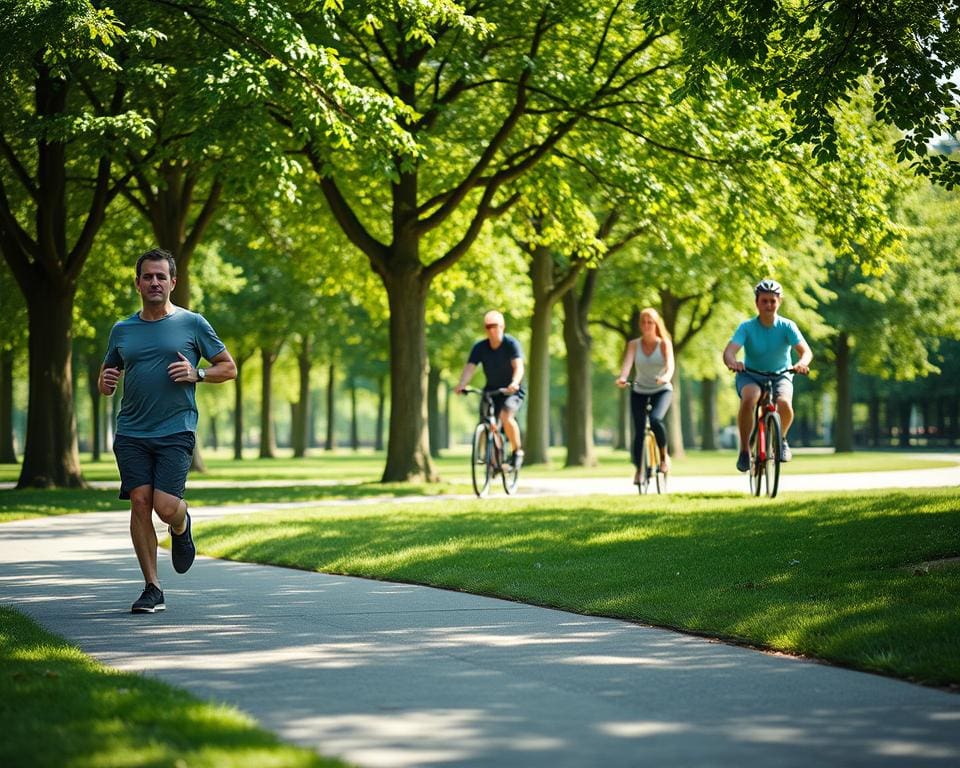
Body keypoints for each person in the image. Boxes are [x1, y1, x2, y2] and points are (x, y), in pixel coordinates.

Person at [99, 248, 237, 614]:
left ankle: (181, 523)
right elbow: (107, 375)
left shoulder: (193, 323)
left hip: (177, 429)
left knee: (165, 506)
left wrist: (199, 373)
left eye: (161, 277)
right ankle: (152, 587)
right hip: (131, 431)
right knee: (140, 503)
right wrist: (105, 381)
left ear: (173, 282)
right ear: (138, 283)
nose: (154, 282)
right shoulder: (122, 329)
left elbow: (229, 367)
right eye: (148, 276)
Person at [722, 278, 812, 472]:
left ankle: (782, 439)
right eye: (764, 301)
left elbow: (805, 351)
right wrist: (733, 362)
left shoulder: (787, 326)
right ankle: (745, 450)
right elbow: (730, 351)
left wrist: (802, 364)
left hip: (781, 374)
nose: (769, 305)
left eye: (773, 300)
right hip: (751, 375)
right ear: (757, 303)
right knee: (750, 397)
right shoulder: (746, 327)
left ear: (779, 302)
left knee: (784, 403)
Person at [454, 310, 525, 467]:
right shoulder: (480, 347)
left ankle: (517, 451)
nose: (492, 330)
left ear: (502, 326)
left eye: (495, 326)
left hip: (511, 390)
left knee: (506, 417)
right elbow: (470, 368)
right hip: (491, 390)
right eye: (488, 327)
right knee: (488, 423)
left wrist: (514, 382)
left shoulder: (511, 344)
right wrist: (462, 384)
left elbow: (518, 367)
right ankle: (494, 459)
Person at [616, 307, 675, 482]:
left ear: (656, 324)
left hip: (661, 389)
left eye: (650, 322)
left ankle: (664, 457)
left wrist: (665, 377)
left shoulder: (664, 343)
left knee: (656, 420)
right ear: (640, 325)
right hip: (639, 390)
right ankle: (639, 470)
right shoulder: (634, 344)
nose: (647, 325)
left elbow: (670, 365)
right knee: (639, 430)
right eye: (643, 322)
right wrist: (623, 377)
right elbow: (627, 364)